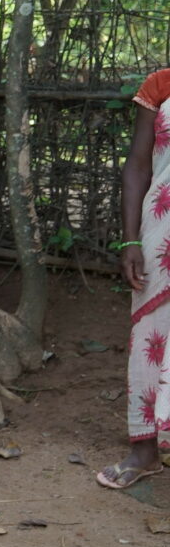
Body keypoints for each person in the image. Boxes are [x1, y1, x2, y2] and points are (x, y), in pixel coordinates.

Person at [104, 68, 170, 489]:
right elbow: (138, 166)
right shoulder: (161, 84)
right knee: (151, 334)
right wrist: (129, 241)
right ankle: (144, 451)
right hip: (161, 232)